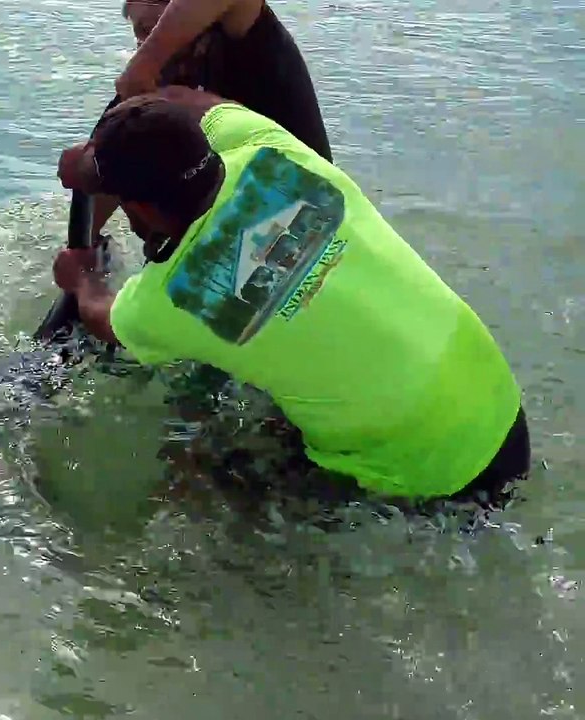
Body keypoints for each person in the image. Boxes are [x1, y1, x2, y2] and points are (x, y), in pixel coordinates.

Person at [52, 87, 530, 506]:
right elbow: (195, 103)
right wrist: (132, 116)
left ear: (135, 207)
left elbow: (103, 317)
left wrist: (82, 278)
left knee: (204, 475)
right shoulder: (272, 150)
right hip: (498, 406)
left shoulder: (171, 298)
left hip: (427, 476)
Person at [89, 0, 331, 246]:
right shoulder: (157, 86)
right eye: (139, 35)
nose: (142, 47)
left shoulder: (250, 43)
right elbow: (103, 156)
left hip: (312, 216)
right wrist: (82, 246)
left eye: (152, 30)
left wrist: (146, 63)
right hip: (228, 243)